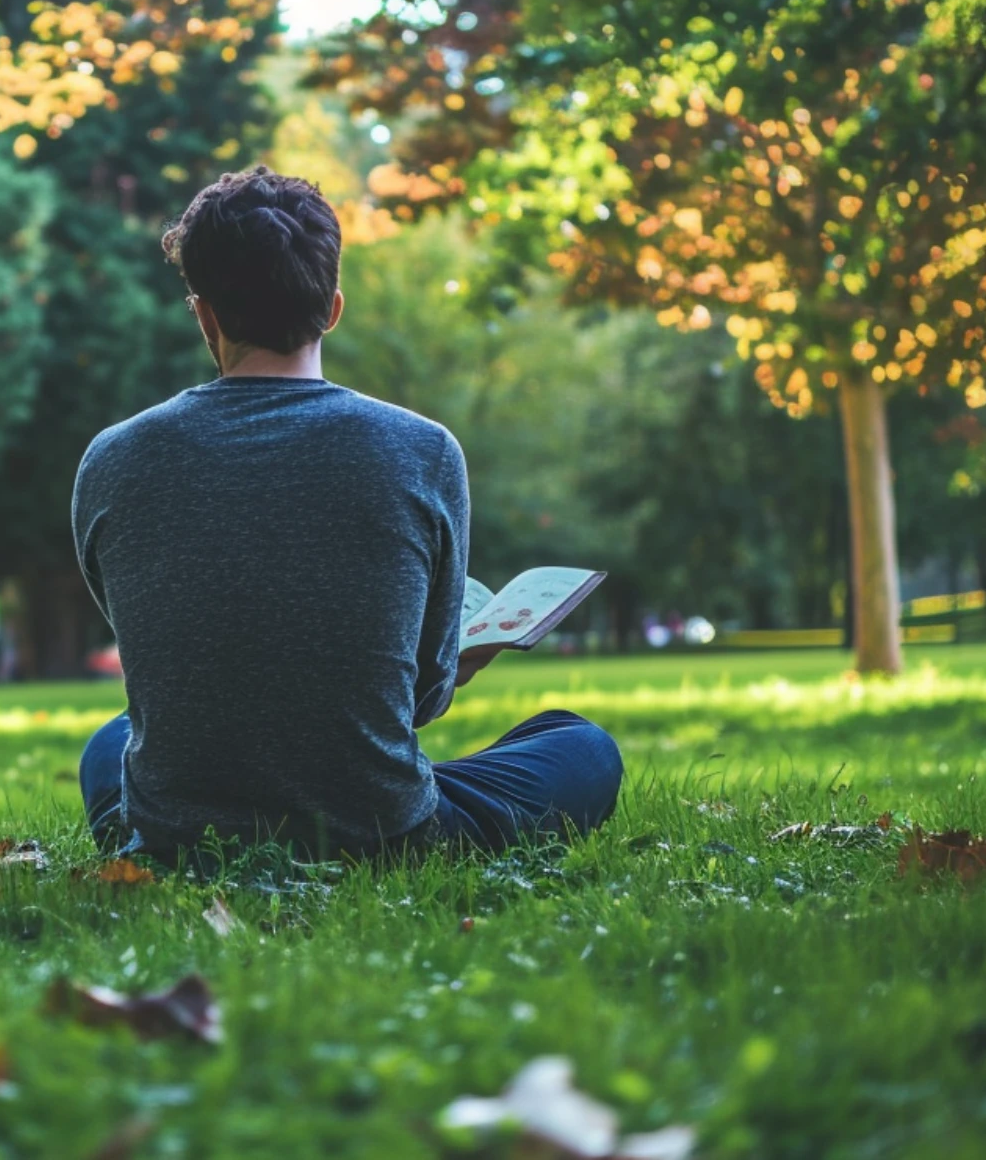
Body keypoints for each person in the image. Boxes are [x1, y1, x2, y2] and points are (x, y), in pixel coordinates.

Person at [71, 166, 621, 860]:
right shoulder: (424, 450)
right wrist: (457, 663)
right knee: (581, 745)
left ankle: (161, 828)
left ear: (204, 313)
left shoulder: (111, 458)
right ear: (332, 308)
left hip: (178, 836)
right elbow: (419, 703)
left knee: (111, 743)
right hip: (382, 833)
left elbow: (161, 656)